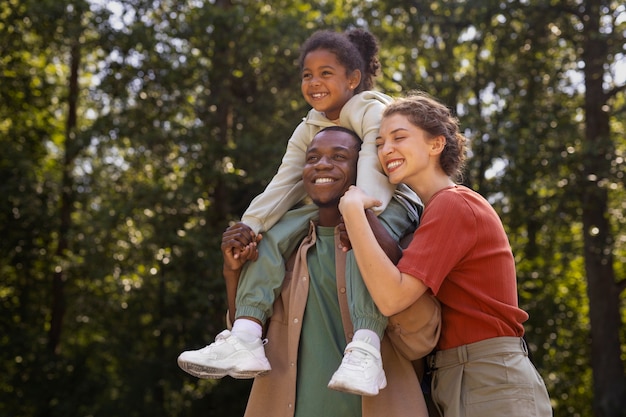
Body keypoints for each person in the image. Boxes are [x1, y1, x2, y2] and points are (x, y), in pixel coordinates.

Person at [178, 28, 422, 396]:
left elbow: (373, 165)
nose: (314, 82)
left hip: (387, 201)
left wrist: (360, 217)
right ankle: (245, 334)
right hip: (342, 204)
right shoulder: (309, 126)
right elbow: (285, 181)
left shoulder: (374, 109)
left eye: (326, 73)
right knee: (273, 235)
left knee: (363, 245)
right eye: (307, 75)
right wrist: (250, 224)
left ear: (353, 78)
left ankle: (367, 344)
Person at [338, 92, 553, 416]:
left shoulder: (454, 205)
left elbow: (392, 298)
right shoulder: (432, 212)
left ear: (435, 144)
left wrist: (353, 211)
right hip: (461, 376)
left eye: (399, 137)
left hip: (487, 375)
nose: (386, 150)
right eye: (380, 142)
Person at [221, 127, 439, 417]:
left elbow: (422, 339)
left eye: (339, 156)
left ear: (362, 169)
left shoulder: (401, 240)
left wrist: (377, 248)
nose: (322, 164)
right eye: (312, 158)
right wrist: (232, 271)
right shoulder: (282, 249)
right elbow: (246, 336)